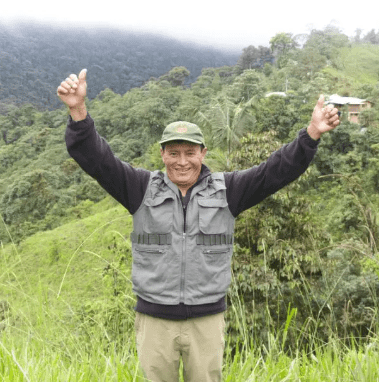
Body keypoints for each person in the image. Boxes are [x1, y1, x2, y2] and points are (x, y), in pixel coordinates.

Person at [57, 69, 339, 382]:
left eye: (190, 153)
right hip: (154, 321)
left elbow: (276, 171)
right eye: (173, 153)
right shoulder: (138, 187)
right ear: (162, 154)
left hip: (207, 321)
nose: (181, 161)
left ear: (202, 154)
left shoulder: (229, 190)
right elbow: (98, 160)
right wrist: (77, 111)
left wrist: (311, 134)